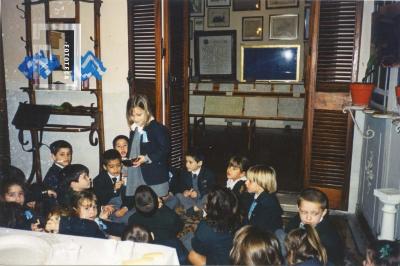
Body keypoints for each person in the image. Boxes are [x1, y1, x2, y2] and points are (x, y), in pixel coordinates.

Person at [124, 94, 170, 200]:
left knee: (156, 200)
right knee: (142, 199)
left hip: (153, 173)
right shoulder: (134, 129)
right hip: (137, 171)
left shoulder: (157, 128)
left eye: (139, 115)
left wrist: (146, 158)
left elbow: (164, 149)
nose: (135, 118)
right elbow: (134, 148)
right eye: (132, 115)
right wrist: (127, 163)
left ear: (148, 111)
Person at [128, 185, 187, 264]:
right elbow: (180, 226)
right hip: (171, 248)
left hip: (147, 254)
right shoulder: (168, 216)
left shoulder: (132, 220)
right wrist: (163, 207)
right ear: (155, 199)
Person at [285, 188, 344, 265]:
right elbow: (288, 232)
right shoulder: (296, 220)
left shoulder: (328, 236)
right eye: (304, 212)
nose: (308, 217)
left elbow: (334, 260)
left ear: (323, 212)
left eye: (314, 213)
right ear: (298, 209)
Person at [188, 187, 240, 266]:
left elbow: (197, 248)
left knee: (192, 254)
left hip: (220, 262)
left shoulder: (205, 227)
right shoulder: (237, 219)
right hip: (235, 257)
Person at [93, 149, 132, 224]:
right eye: (111, 166)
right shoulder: (98, 180)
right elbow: (100, 198)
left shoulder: (126, 176)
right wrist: (113, 189)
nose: (115, 169)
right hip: (109, 210)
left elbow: (132, 196)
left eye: (118, 165)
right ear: (105, 167)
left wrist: (125, 208)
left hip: (126, 207)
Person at [244, 165, 283, 234]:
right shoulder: (252, 196)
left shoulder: (268, 203)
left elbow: (261, 229)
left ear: (262, 183)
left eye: (250, 181)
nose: (246, 182)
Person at [176, 149, 215, 215]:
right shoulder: (184, 173)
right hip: (191, 199)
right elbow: (181, 186)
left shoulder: (208, 174)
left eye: (190, 162)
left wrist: (198, 193)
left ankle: (192, 209)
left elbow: (211, 188)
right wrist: (185, 191)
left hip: (202, 197)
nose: (187, 165)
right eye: (186, 161)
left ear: (199, 163)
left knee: (208, 196)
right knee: (178, 195)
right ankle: (199, 208)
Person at [225, 155, 252, 219]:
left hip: (238, 216)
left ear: (242, 174)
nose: (229, 170)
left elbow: (237, 205)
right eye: (229, 166)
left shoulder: (243, 185)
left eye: (234, 169)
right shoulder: (230, 180)